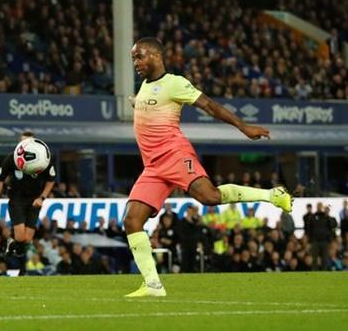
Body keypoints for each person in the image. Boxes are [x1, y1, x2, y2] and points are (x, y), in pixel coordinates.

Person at [124, 38, 292, 297]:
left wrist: (244, 127)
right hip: (153, 166)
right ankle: (153, 285)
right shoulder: (146, 86)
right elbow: (149, 106)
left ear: (156, 56)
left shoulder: (175, 83)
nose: (135, 63)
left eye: (139, 57)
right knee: (132, 220)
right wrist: (136, 103)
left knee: (209, 197)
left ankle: (272, 195)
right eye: (133, 58)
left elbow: (210, 106)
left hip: (174, 155)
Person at [0, 131, 56, 274]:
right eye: (22, 142)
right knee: (20, 236)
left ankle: (13, 247)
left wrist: (42, 198)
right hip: (16, 198)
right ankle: (16, 255)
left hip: (34, 200)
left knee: (27, 240)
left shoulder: (43, 159)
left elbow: (51, 180)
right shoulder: (12, 158)